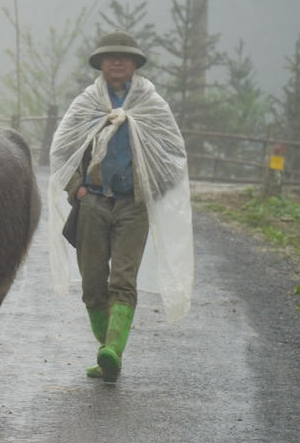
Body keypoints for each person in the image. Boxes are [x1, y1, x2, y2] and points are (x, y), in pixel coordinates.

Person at [48, 31, 194, 383]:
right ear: (100, 63)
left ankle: (112, 350)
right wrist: (77, 190)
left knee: (123, 280)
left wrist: (149, 190)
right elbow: (63, 150)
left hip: (133, 205)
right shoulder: (87, 103)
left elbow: (172, 155)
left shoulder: (151, 104)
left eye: (124, 57)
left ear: (134, 64)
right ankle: (107, 353)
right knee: (93, 284)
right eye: (110, 56)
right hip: (94, 202)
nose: (116, 62)